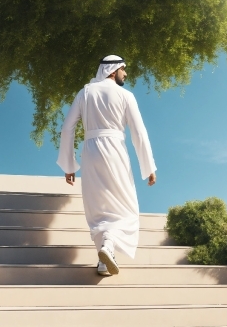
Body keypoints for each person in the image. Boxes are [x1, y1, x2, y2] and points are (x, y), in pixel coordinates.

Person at [57, 55, 157, 276]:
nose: (126, 74)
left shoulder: (85, 92)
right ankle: (109, 246)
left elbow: (67, 129)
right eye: (124, 69)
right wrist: (148, 166)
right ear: (112, 70)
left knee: (98, 208)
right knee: (125, 206)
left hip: (89, 153)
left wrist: (69, 164)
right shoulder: (126, 95)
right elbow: (138, 132)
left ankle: (103, 261)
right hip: (115, 151)